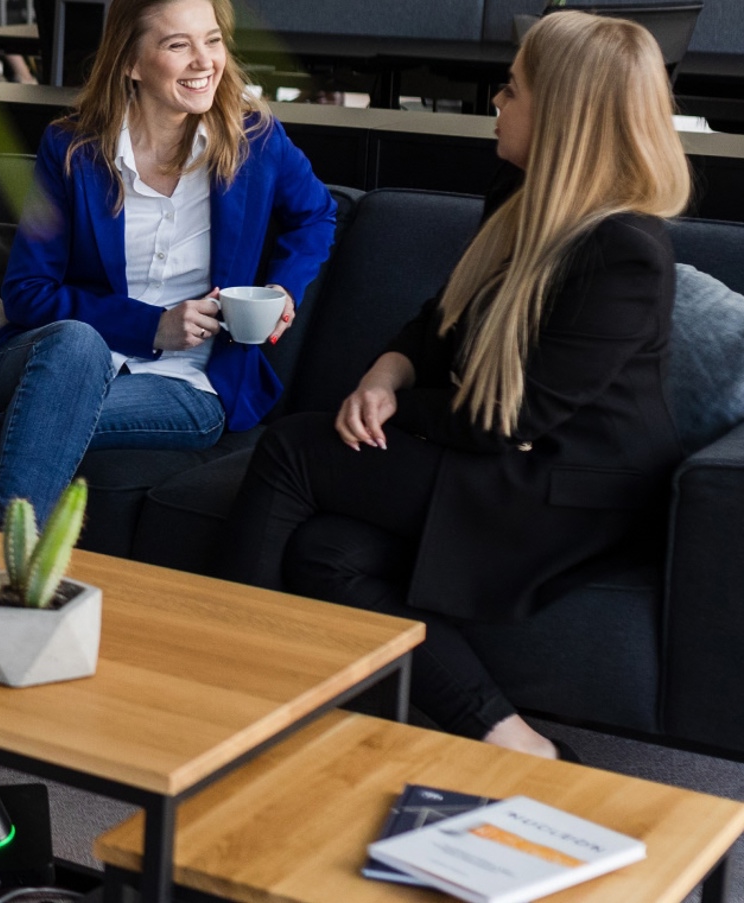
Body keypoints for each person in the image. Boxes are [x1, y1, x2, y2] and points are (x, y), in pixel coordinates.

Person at [215, 10, 691, 760]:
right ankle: (514, 740)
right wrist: (387, 370)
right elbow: (443, 319)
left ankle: (219, 687)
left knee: (296, 448)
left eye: (513, 89)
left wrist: (400, 409)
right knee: (326, 550)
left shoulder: (625, 254)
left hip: (568, 492)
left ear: (563, 116)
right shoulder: (519, 194)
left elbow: (513, 418)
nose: (497, 101)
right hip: (507, 452)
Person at [0, 0, 337, 526]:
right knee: (79, 347)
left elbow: (318, 215)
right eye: (178, 44)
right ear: (131, 61)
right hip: (54, 357)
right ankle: (8, 580)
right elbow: (28, 290)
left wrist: (285, 290)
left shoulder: (255, 140)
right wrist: (154, 326)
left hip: (189, 384)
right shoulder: (72, 149)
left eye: (212, 40)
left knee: (47, 417)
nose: (204, 61)